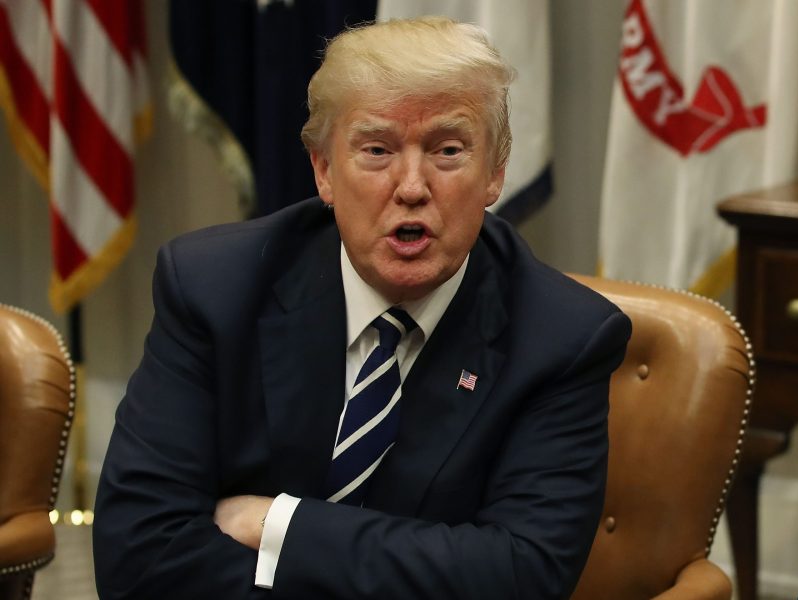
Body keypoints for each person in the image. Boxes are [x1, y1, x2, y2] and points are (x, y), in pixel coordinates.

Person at [93, 16, 631, 600]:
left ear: (495, 172)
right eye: (376, 150)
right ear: (324, 171)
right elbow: (136, 555)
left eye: (448, 151)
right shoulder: (213, 288)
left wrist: (279, 525)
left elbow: (521, 575)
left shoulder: (563, 337)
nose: (411, 187)